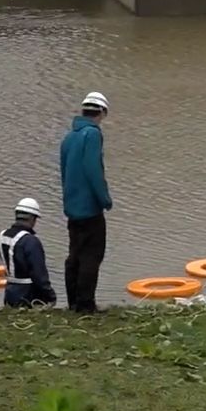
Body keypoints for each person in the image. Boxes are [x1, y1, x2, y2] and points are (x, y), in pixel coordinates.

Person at [60, 91, 112, 313]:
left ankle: (73, 302)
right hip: (90, 208)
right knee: (92, 256)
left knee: (75, 256)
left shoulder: (68, 138)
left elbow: (63, 172)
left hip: (72, 208)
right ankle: (86, 304)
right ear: (101, 112)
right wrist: (105, 199)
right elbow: (94, 170)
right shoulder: (92, 134)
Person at [0, 197, 57, 308]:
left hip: (10, 293)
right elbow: (39, 273)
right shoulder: (30, 241)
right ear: (32, 218)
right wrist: (50, 295)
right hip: (28, 296)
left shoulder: (2, 236)